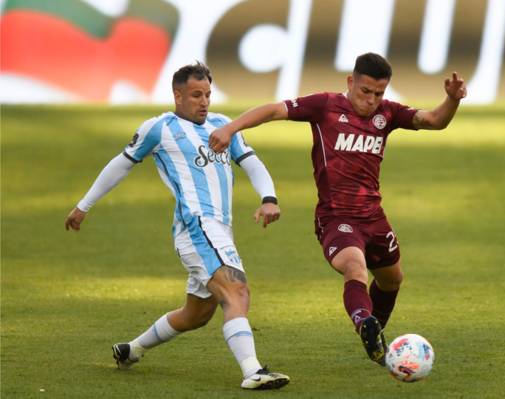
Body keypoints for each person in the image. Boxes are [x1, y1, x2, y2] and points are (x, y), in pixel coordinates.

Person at [208, 53, 467, 366]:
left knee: (392, 280)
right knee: (354, 266)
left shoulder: (389, 113)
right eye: (365, 91)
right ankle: (363, 322)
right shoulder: (325, 106)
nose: (371, 100)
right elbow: (274, 110)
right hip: (336, 217)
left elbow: (434, 121)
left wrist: (451, 100)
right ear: (350, 82)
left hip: (374, 216)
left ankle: (375, 335)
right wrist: (231, 128)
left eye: (379, 93)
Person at [64, 62, 290, 390]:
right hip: (196, 226)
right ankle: (252, 371)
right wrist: (83, 206)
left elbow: (253, 164)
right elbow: (120, 165)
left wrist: (269, 197)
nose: (204, 101)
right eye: (196, 95)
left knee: (196, 315)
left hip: (220, 229)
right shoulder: (159, 128)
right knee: (237, 290)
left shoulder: (223, 126)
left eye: (208, 94)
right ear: (178, 95)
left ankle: (132, 349)